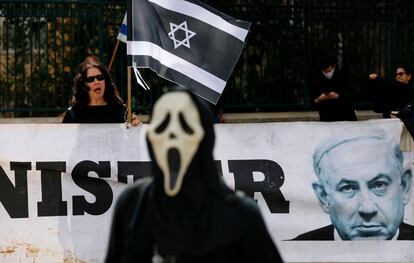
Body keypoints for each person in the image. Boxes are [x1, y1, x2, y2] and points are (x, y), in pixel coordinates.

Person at [105, 87, 283, 262]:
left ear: (205, 138)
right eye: (163, 125)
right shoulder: (133, 204)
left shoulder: (241, 215)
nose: (172, 134)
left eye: (185, 125)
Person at [293, 130, 414, 240]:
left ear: (404, 187)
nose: (367, 209)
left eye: (379, 185)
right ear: (324, 197)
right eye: (347, 188)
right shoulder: (293, 252)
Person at [62, 62, 140, 125]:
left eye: (100, 77)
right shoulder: (73, 114)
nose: (96, 82)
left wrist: (133, 122)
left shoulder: (120, 111)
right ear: (83, 86)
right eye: (90, 79)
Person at [312, 57, 357, 122]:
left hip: (345, 115)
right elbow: (313, 100)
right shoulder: (318, 79)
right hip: (327, 117)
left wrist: (338, 96)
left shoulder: (342, 76)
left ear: (334, 67)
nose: (327, 73)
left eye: (329, 71)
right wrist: (320, 98)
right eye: (325, 71)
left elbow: (351, 95)